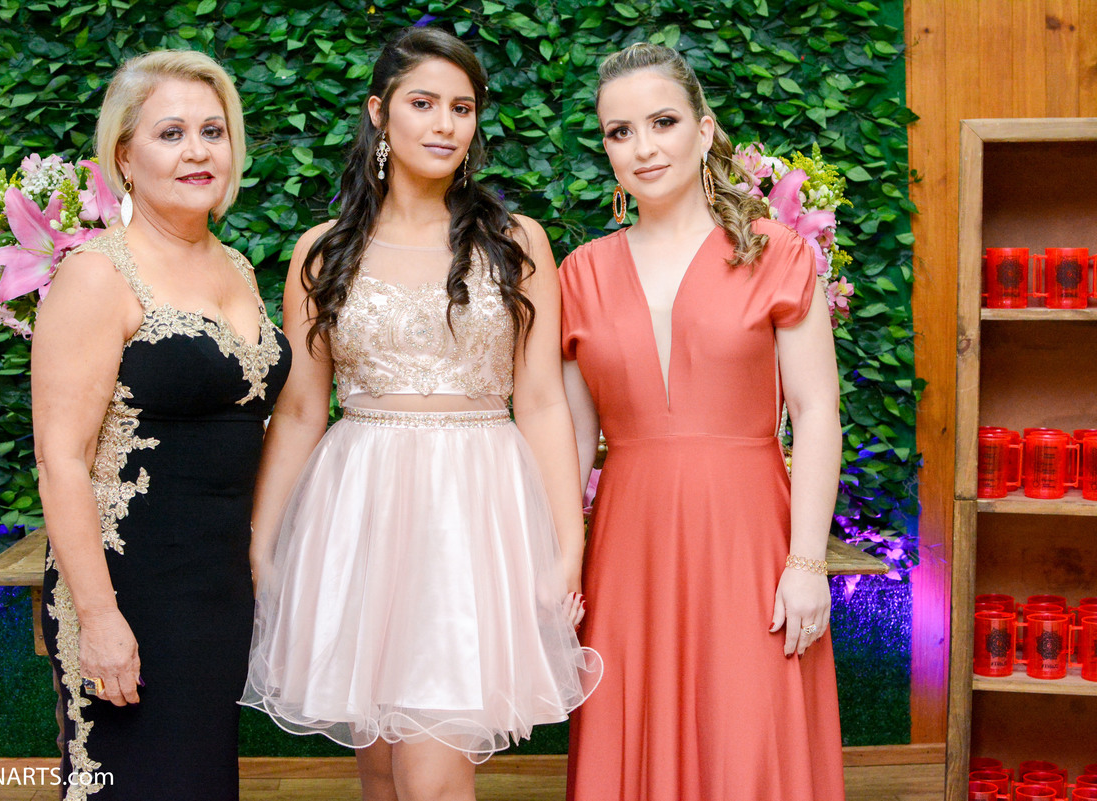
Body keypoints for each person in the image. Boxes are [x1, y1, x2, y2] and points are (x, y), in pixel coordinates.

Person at [240, 27, 599, 801]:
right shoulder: (322, 252)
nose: (445, 124)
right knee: (381, 777)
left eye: (462, 108)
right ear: (380, 112)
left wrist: (566, 545)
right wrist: (264, 543)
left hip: (474, 519)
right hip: (359, 517)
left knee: (433, 780)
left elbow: (541, 402)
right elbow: (299, 412)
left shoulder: (516, 244)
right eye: (423, 103)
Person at [560, 43, 845, 801]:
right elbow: (571, 443)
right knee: (632, 734)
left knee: (748, 735)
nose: (643, 148)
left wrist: (807, 563)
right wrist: (558, 565)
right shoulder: (580, 273)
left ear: (705, 129)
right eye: (620, 132)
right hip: (628, 550)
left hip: (750, 540)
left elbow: (817, 412)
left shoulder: (777, 253)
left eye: (663, 122)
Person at [33, 50, 291, 800]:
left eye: (213, 131)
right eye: (171, 133)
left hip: (218, 587)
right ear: (124, 156)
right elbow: (59, 459)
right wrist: (99, 617)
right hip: (130, 589)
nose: (197, 151)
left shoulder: (237, 265)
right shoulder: (96, 276)